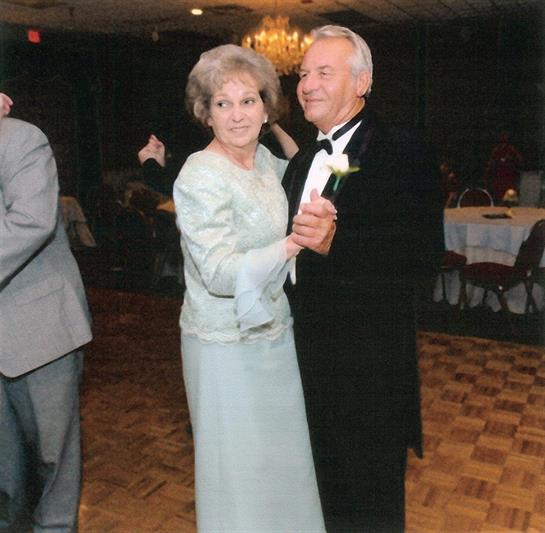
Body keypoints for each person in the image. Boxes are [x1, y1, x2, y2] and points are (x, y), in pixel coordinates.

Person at [283, 25, 445, 532]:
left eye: (323, 72)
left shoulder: (403, 150)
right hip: (305, 370)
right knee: (324, 507)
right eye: (303, 74)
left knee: (371, 512)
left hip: (368, 380)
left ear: (362, 82)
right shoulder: (301, 162)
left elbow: (424, 257)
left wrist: (339, 243)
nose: (307, 84)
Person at [172, 44, 333, 533]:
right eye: (223, 103)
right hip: (224, 346)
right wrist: (289, 246)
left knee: (282, 463)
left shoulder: (263, 160)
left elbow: (304, 175)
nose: (237, 115)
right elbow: (219, 273)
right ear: (206, 114)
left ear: (266, 108)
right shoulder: (199, 175)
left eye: (248, 101)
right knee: (239, 473)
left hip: (274, 335)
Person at [0, 110, 93, 530]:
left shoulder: (18, 138)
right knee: (6, 479)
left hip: (39, 332)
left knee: (53, 469)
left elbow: (31, 221)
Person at [485, 131, 523, 203]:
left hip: (509, 177)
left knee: (509, 195)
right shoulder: (496, 150)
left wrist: (510, 160)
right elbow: (491, 163)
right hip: (499, 177)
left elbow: (519, 160)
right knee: (498, 195)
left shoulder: (511, 149)